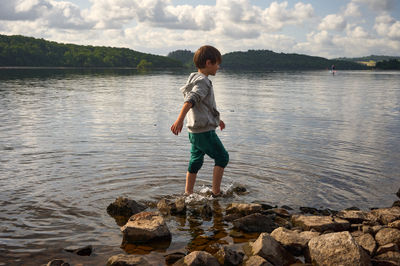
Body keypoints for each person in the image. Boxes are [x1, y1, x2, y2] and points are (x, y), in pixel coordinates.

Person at [170, 45, 229, 197]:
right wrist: (179, 119)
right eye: (217, 63)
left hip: (194, 131)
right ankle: (216, 193)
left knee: (196, 161)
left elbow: (204, 106)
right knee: (222, 157)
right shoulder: (203, 81)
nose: (219, 66)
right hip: (204, 132)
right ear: (208, 63)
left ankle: (188, 193)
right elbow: (191, 100)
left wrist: (218, 119)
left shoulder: (194, 78)